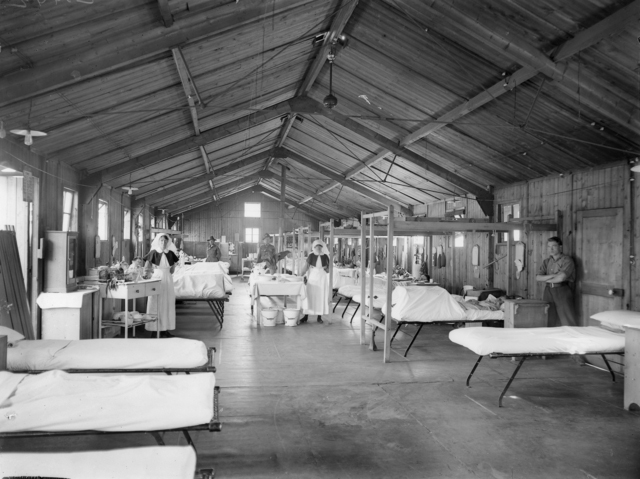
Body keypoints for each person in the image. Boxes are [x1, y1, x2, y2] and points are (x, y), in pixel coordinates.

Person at [536, 236, 578, 327]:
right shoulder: (546, 261)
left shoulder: (567, 260)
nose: (551, 249)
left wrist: (546, 278)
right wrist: (553, 275)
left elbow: (561, 278)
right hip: (548, 291)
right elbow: (538, 278)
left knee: (567, 318)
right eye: (548, 246)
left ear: (560, 247)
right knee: (548, 317)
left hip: (562, 290)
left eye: (554, 246)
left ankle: (572, 339)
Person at [144, 234, 179, 338]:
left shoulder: (171, 253)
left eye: (165, 241)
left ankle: (165, 329)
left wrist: (168, 270)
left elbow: (172, 270)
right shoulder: (154, 253)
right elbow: (146, 267)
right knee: (156, 303)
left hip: (168, 279)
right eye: (161, 241)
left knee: (168, 303)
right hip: (157, 278)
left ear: (168, 242)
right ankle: (154, 330)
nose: (163, 243)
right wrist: (151, 275)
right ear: (158, 242)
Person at [299, 239, 331, 324]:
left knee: (321, 296)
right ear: (314, 247)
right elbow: (306, 267)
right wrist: (299, 275)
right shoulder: (311, 256)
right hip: (312, 277)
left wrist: (326, 268)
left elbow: (328, 270)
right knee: (309, 295)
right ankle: (306, 316)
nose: (318, 248)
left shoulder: (326, 257)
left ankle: (319, 317)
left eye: (320, 246)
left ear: (322, 247)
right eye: (317, 246)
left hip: (322, 278)